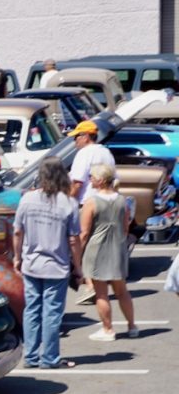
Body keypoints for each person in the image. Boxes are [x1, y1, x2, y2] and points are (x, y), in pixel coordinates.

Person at [12, 157, 84, 369]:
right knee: (52, 313)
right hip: (56, 266)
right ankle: (49, 357)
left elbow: (17, 231)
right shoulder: (69, 204)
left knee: (32, 310)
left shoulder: (27, 199)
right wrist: (78, 267)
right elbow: (73, 240)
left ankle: (31, 356)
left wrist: (17, 257)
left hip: (32, 263)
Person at [79, 164, 138, 341]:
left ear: (100, 180)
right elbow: (126, 227)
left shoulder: (92, 202)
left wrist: (77, 254)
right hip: (118, 248)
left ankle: (108, 329)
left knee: (101, 293)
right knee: (122, 291)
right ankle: (132, 326)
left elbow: (84, 232)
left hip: (98, 249)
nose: (90, 179)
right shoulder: (122, 200)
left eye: (92, 176)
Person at [66, 120, 116, 304]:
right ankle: (97, 282)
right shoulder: (106, 152)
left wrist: (66, 202)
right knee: (100, 247)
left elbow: (77, 183)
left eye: (77, 137)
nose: (75, 141)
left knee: (82, 243)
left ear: (86, 136)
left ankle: (88, 283)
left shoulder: (84, 154)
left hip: (88, 204)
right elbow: (114, 181)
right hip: (107, 203)